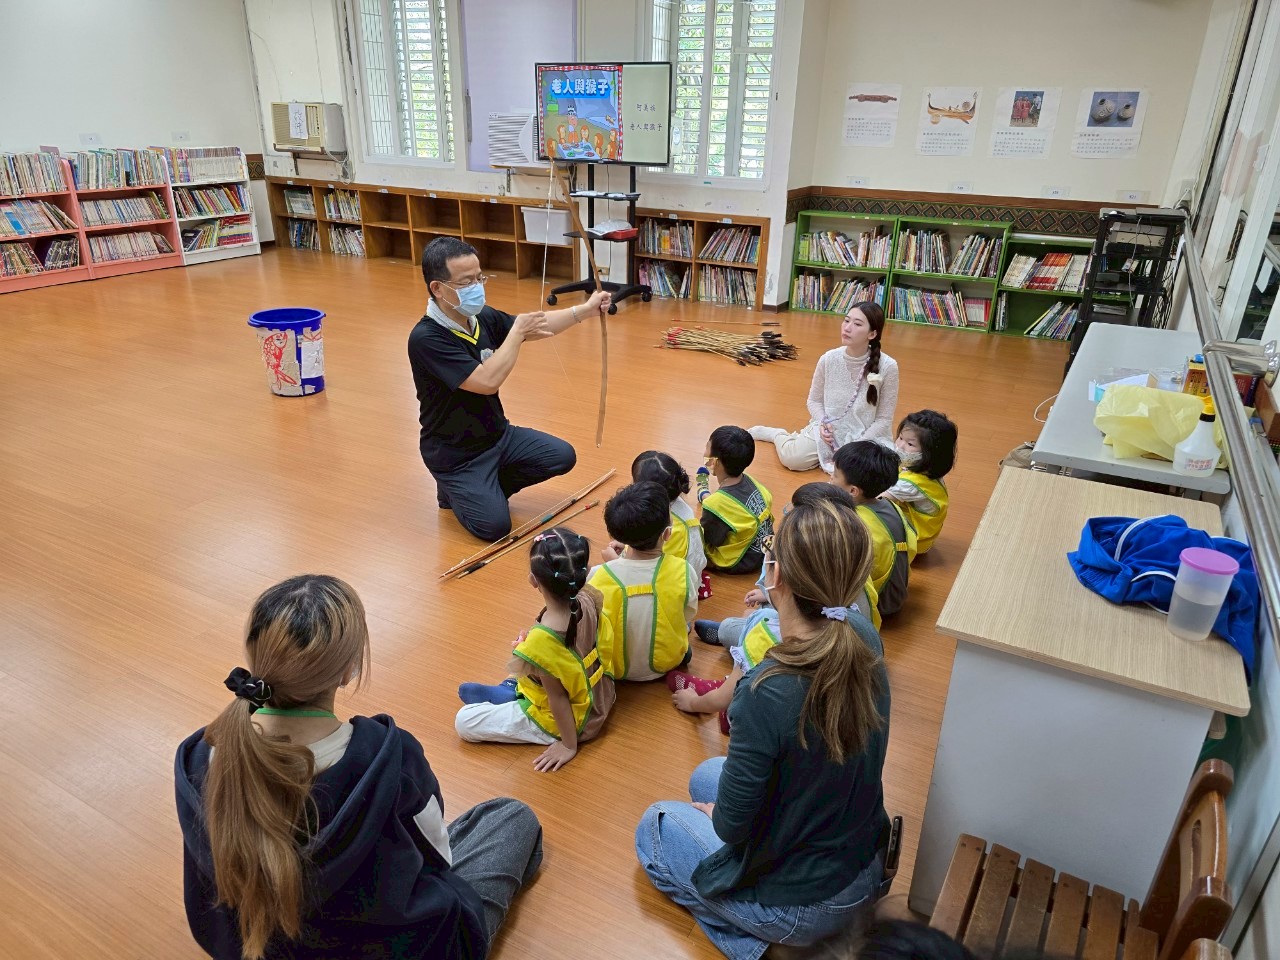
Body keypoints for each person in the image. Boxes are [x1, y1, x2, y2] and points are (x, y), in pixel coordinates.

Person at [175, 575, 542, 960]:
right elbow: (438, 859)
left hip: (252, 946)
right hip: (395, 947)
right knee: (510, 817)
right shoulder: (389, 757)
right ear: (349, 670)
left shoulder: (200, 755)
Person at [636, 497, 893, 960]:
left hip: (807, 901)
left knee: (656, 826)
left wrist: (720, 815)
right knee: (707, 774)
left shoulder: (766, 688)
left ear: (774, 577)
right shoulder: (862, 632)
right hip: (861, 857)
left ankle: (778, 950)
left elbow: (733, 828)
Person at [408, 236, 611, 541]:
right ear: (438, 288)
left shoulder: (479, 317)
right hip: (456, 456)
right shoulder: (426, 338)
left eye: (479, 278)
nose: (477, 286)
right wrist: (516, 335)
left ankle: (486, 486)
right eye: (466, 282)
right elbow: (486, 382)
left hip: (498, 436)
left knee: (562, 456)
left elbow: (535, 325)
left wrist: (585, 310)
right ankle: (453, 488)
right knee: (495, 527)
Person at [671, 484, 881, 734]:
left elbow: (723, 706)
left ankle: (730, 682)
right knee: (752, 621)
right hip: (808, 644)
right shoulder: (856, 616)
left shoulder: (762, 636)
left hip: (763, 703)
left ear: (778, 573)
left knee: (743, 625)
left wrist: (694, 702)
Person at [455, 527, 616, 771]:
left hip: (577, 716)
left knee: (464, 721)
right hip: (600, 692)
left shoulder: (543, 641)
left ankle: (512, 692)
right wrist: (532, 649)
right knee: (528, 653)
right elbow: (566, 655)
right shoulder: (586, 596)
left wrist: (569, 745)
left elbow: (558, 698)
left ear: (533, 580)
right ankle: (512, 689)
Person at [750, 301, 899, 474]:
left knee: (878, 473)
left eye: (857, 324)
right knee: (793, 460)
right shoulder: (828, 359)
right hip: (830, 430)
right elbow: (813, 401)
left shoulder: (888, 366)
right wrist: (821, 423)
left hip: (866, 435)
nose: (847, 328)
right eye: (846, 320)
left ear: (872, 333)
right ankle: (777, 435)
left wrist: (858, 445)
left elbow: (884, 420)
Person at [591, 481, 697, 681]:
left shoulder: (600, 576)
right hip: (667, 663)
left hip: (616, 668)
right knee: (686, 641)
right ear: (667, 534)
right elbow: (688, 613)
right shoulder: (683, 570)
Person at [833, 441, 918, 618]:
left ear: (853, 491)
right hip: (897, 589)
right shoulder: (890, 505)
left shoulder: (854, 524)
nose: (830, 480)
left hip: (879, 603)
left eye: (834, 476)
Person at [697, 425, 775, 574]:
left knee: (690, 540)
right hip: (765, 549)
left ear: (715, 462)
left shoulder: (715, 505)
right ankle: (704, 494)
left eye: (707, 446)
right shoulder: (753, 482)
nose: (705, 451)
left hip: (742, 561)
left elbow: (711, 539)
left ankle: (703, 492)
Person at [632, 449, 709, 590]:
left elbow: (651, 565)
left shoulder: (664, 522)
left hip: (677, 588)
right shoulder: (679, 506)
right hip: (691, 576)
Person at [883, 410, 957, 555]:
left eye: (910, 444)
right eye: (900, 438)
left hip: (914, 543)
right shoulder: (927, 469)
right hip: (925, 536)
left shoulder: (911, 485)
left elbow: (877, 498)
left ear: (930, 454)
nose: (900, 446)